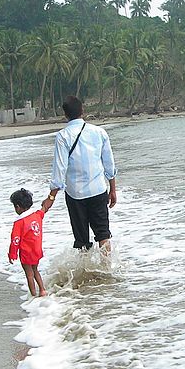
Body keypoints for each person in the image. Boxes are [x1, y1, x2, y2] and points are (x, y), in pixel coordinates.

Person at [41, 95, 117, 254]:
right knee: (103, 234)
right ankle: (108, 271)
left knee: (82, 241)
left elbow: (59, 168)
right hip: (98, 190)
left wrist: (51, 197)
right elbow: (109, 164)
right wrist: (113, 189)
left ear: (65, 115)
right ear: (83, 110)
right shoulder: (99, 132)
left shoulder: (63, 136)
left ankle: (86, 273)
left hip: (75, 194)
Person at [8, 188, 47, 298]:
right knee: (35, 270)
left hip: (26, 252)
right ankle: (43, 290)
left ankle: (33, 294)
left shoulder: (19, 222)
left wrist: (12, 254)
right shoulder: (37, 215)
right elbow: (44, 209)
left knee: (29, 274)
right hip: (37, 250)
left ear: (18, 207)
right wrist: (49, 198)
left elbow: (15, 240)